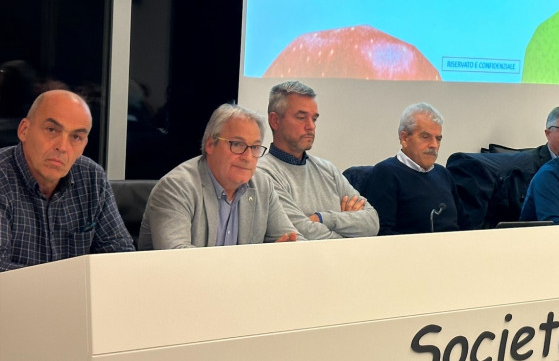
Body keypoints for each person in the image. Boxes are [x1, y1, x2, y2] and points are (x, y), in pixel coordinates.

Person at [0, 90, 133, 271]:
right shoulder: (3, 176)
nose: (62, 147)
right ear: (24, 130)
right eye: (51, 130)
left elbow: (119, 255)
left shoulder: (91, 177)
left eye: (76, 137)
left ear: (84, 145)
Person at [138, 104, 300, 249]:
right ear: (210, 145)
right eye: (237, 144)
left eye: (255, 147)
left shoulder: (262, 185)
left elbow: (292, 241)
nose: (248, 157)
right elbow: (177, 257)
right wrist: (257, 261)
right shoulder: (176, 187)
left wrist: (288, 252)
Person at [256, 81, 378, 239]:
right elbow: (298, 232)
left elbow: (372, 223)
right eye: (301, 118)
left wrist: (322, 218)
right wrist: (348, 227)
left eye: (314, 119)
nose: (311, 126)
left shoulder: (327, 169)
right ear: (275, 121)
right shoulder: (262, 173)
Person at [362, 103, 469, 235]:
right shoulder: (386, 173)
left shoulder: (443, 174)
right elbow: (382, 233)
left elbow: (466, 226)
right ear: (405, 138)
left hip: (455, 245)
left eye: (438, 139)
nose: (434, 145)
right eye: (425, 137)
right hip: (414, 247)